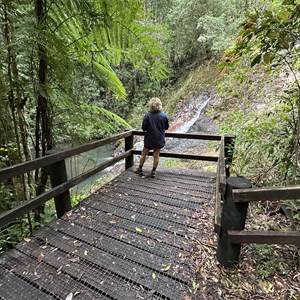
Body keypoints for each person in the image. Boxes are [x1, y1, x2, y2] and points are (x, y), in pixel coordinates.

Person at [134, 97, 169, 177]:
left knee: (144, 154)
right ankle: (153, 172)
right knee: (156, 155)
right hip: (159, 139)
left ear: (150, 105)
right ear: (160, 105)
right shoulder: (164, 116)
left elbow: (143, 128)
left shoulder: (147, 115)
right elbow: (166, 127)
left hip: (149, 139)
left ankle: (140, 169)